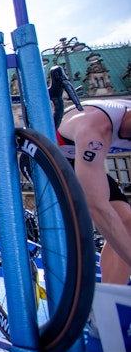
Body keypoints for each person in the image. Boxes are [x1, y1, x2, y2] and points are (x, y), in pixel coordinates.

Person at [57, 99, 131, 284]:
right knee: (109, 214)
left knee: (127, 222)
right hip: (49, 160)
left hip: (84, 160)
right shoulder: (96, 128)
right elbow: (97, 206)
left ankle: (113, 291)